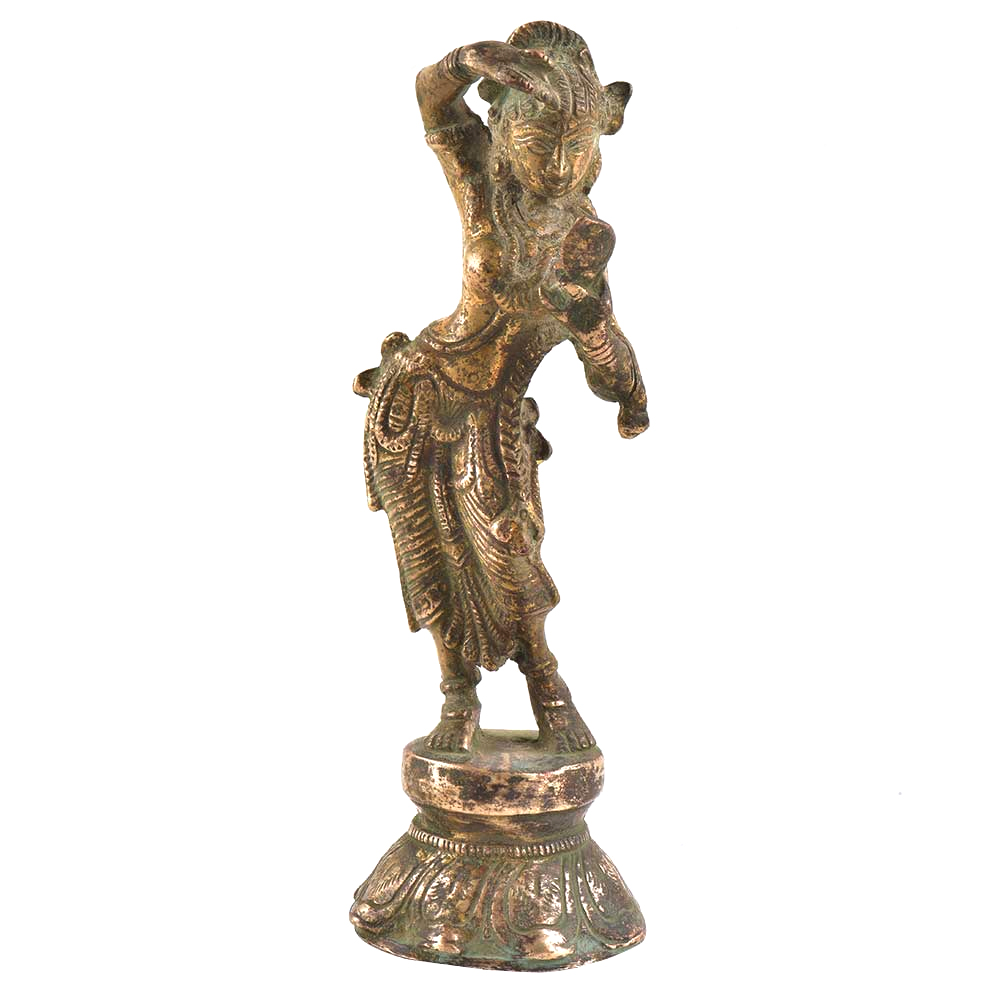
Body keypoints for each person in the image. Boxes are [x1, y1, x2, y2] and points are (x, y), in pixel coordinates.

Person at [354, 21, 649, 754]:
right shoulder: (483, 191)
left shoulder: (583, 243)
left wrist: (591, 328)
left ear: (599, 143)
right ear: (505, 133)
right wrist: (465, 61)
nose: (558, 163)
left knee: (508, 548)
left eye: (575, 144)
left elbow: (615, 375)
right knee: (426, 555)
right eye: (538, 140)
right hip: (419, 394)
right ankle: (457, 697)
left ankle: (549, 689)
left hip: (494, 414)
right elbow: (432, 103)